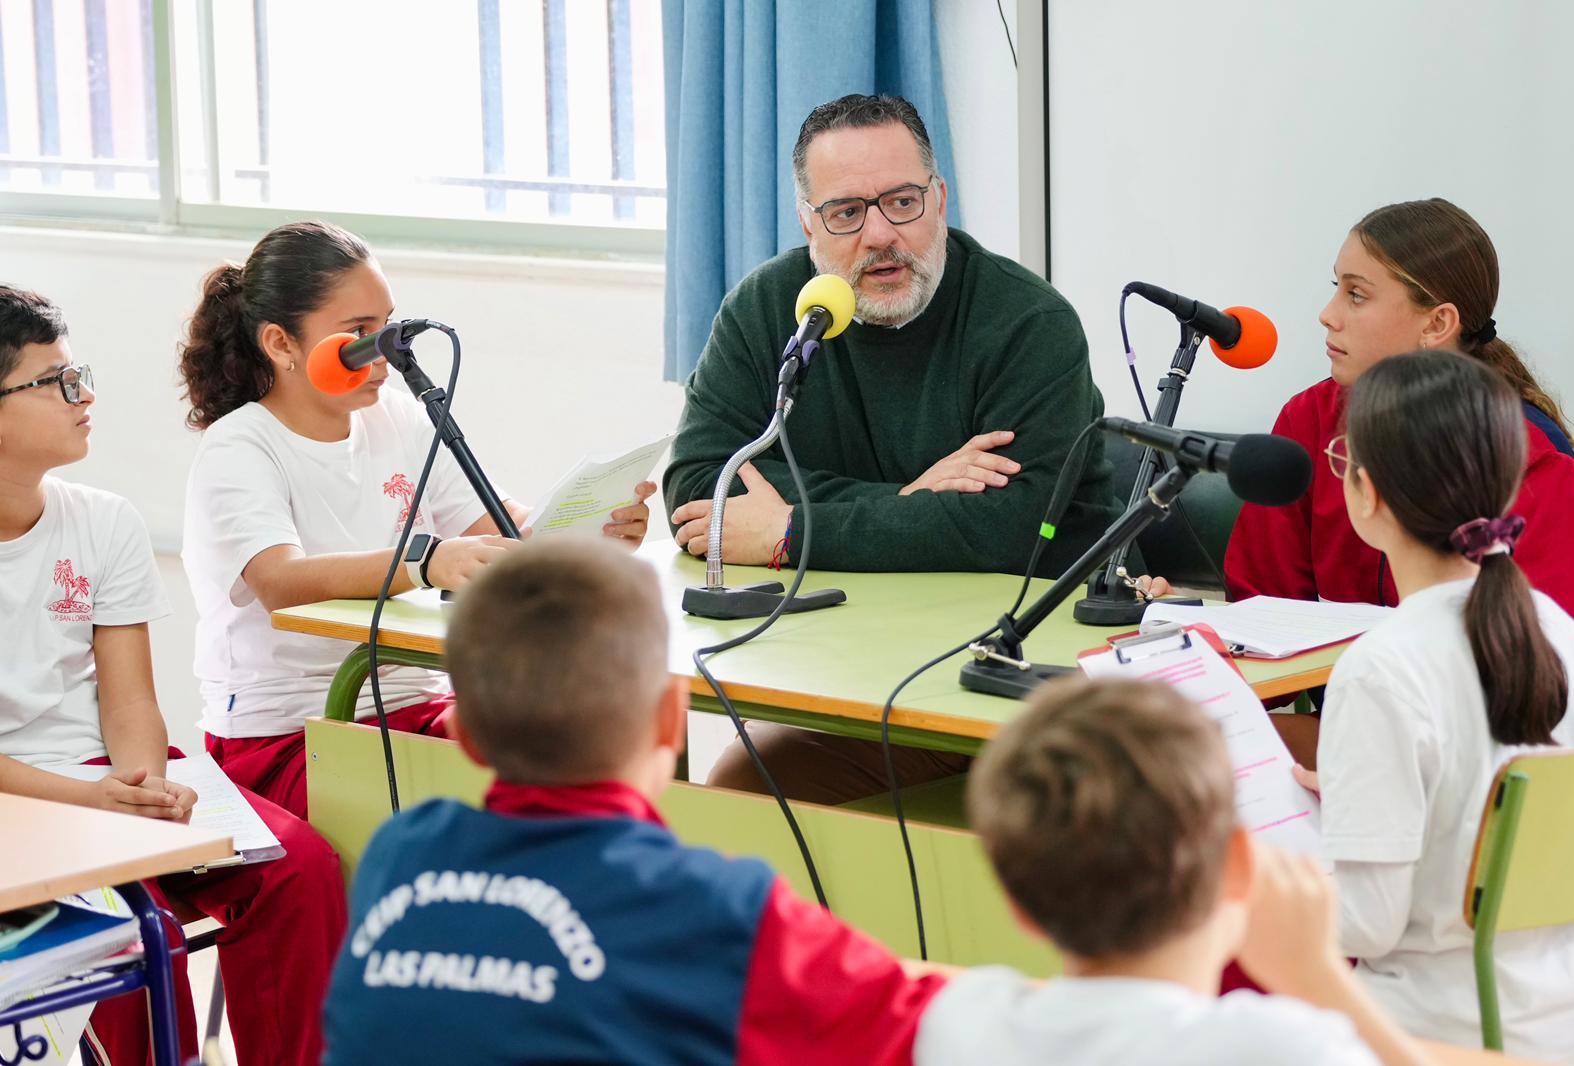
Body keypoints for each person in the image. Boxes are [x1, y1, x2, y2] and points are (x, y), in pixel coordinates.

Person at [321, 537, 947, 1065]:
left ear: (464, 736)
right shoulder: (718, 910)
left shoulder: (398, 855)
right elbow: (935, 1027)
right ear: (672, 717)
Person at [666, 93, 1117, 804]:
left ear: (940, 201)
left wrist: (790, 528)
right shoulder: (768, 308)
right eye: (846, 212)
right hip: (847, 654)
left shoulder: (1028, 323)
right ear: (808, 223)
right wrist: (913, 504)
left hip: (1024, 680)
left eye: (902, 202)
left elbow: (1017, 527)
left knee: (748, 786)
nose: (880, 234)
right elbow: (701, 490)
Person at [177, 221, 654, 820]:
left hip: (421, 706)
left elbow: (500, 526)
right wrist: (424, 564)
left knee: (578, 770)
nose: (383, 352)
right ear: (281, 343)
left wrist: (589, 530)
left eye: (387, 326)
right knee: (474, 820)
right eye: (357, 333)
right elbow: (280, 581)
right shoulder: (239, 447)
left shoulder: (400, 418)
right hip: (291, 730)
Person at [0, 285, 343, 1066]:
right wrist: (97, 806)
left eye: (76, 371)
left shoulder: (103, 519)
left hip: (107, 776)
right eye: (53, 382)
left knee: (301, 870)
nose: (83, 395)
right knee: (129, 922)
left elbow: (131, 699)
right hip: (22, 802)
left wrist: (140, 787)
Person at [1294, 350, 1574, 1060]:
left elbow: (1365, 925)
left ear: (1365, 492)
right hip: (1570, 1020)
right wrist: (1351, 793)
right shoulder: (1557, 630)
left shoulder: (1381, 667)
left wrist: (1260, 876)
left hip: (1436, 1031)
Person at [916, 675, 1426, 1066]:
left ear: (1017, 905)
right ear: (1238, 866)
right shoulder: (1274, 1046)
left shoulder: (961, 1021)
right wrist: (1319, 974)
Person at [1223, 198, 1574, 629]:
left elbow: (1539, 663)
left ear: (1436, 324)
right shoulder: (1308, 419)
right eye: (1336, 287)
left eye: (1356, 295)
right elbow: (1259, 607)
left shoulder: (1527, 456)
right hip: (1345, 689)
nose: (1327, 315)